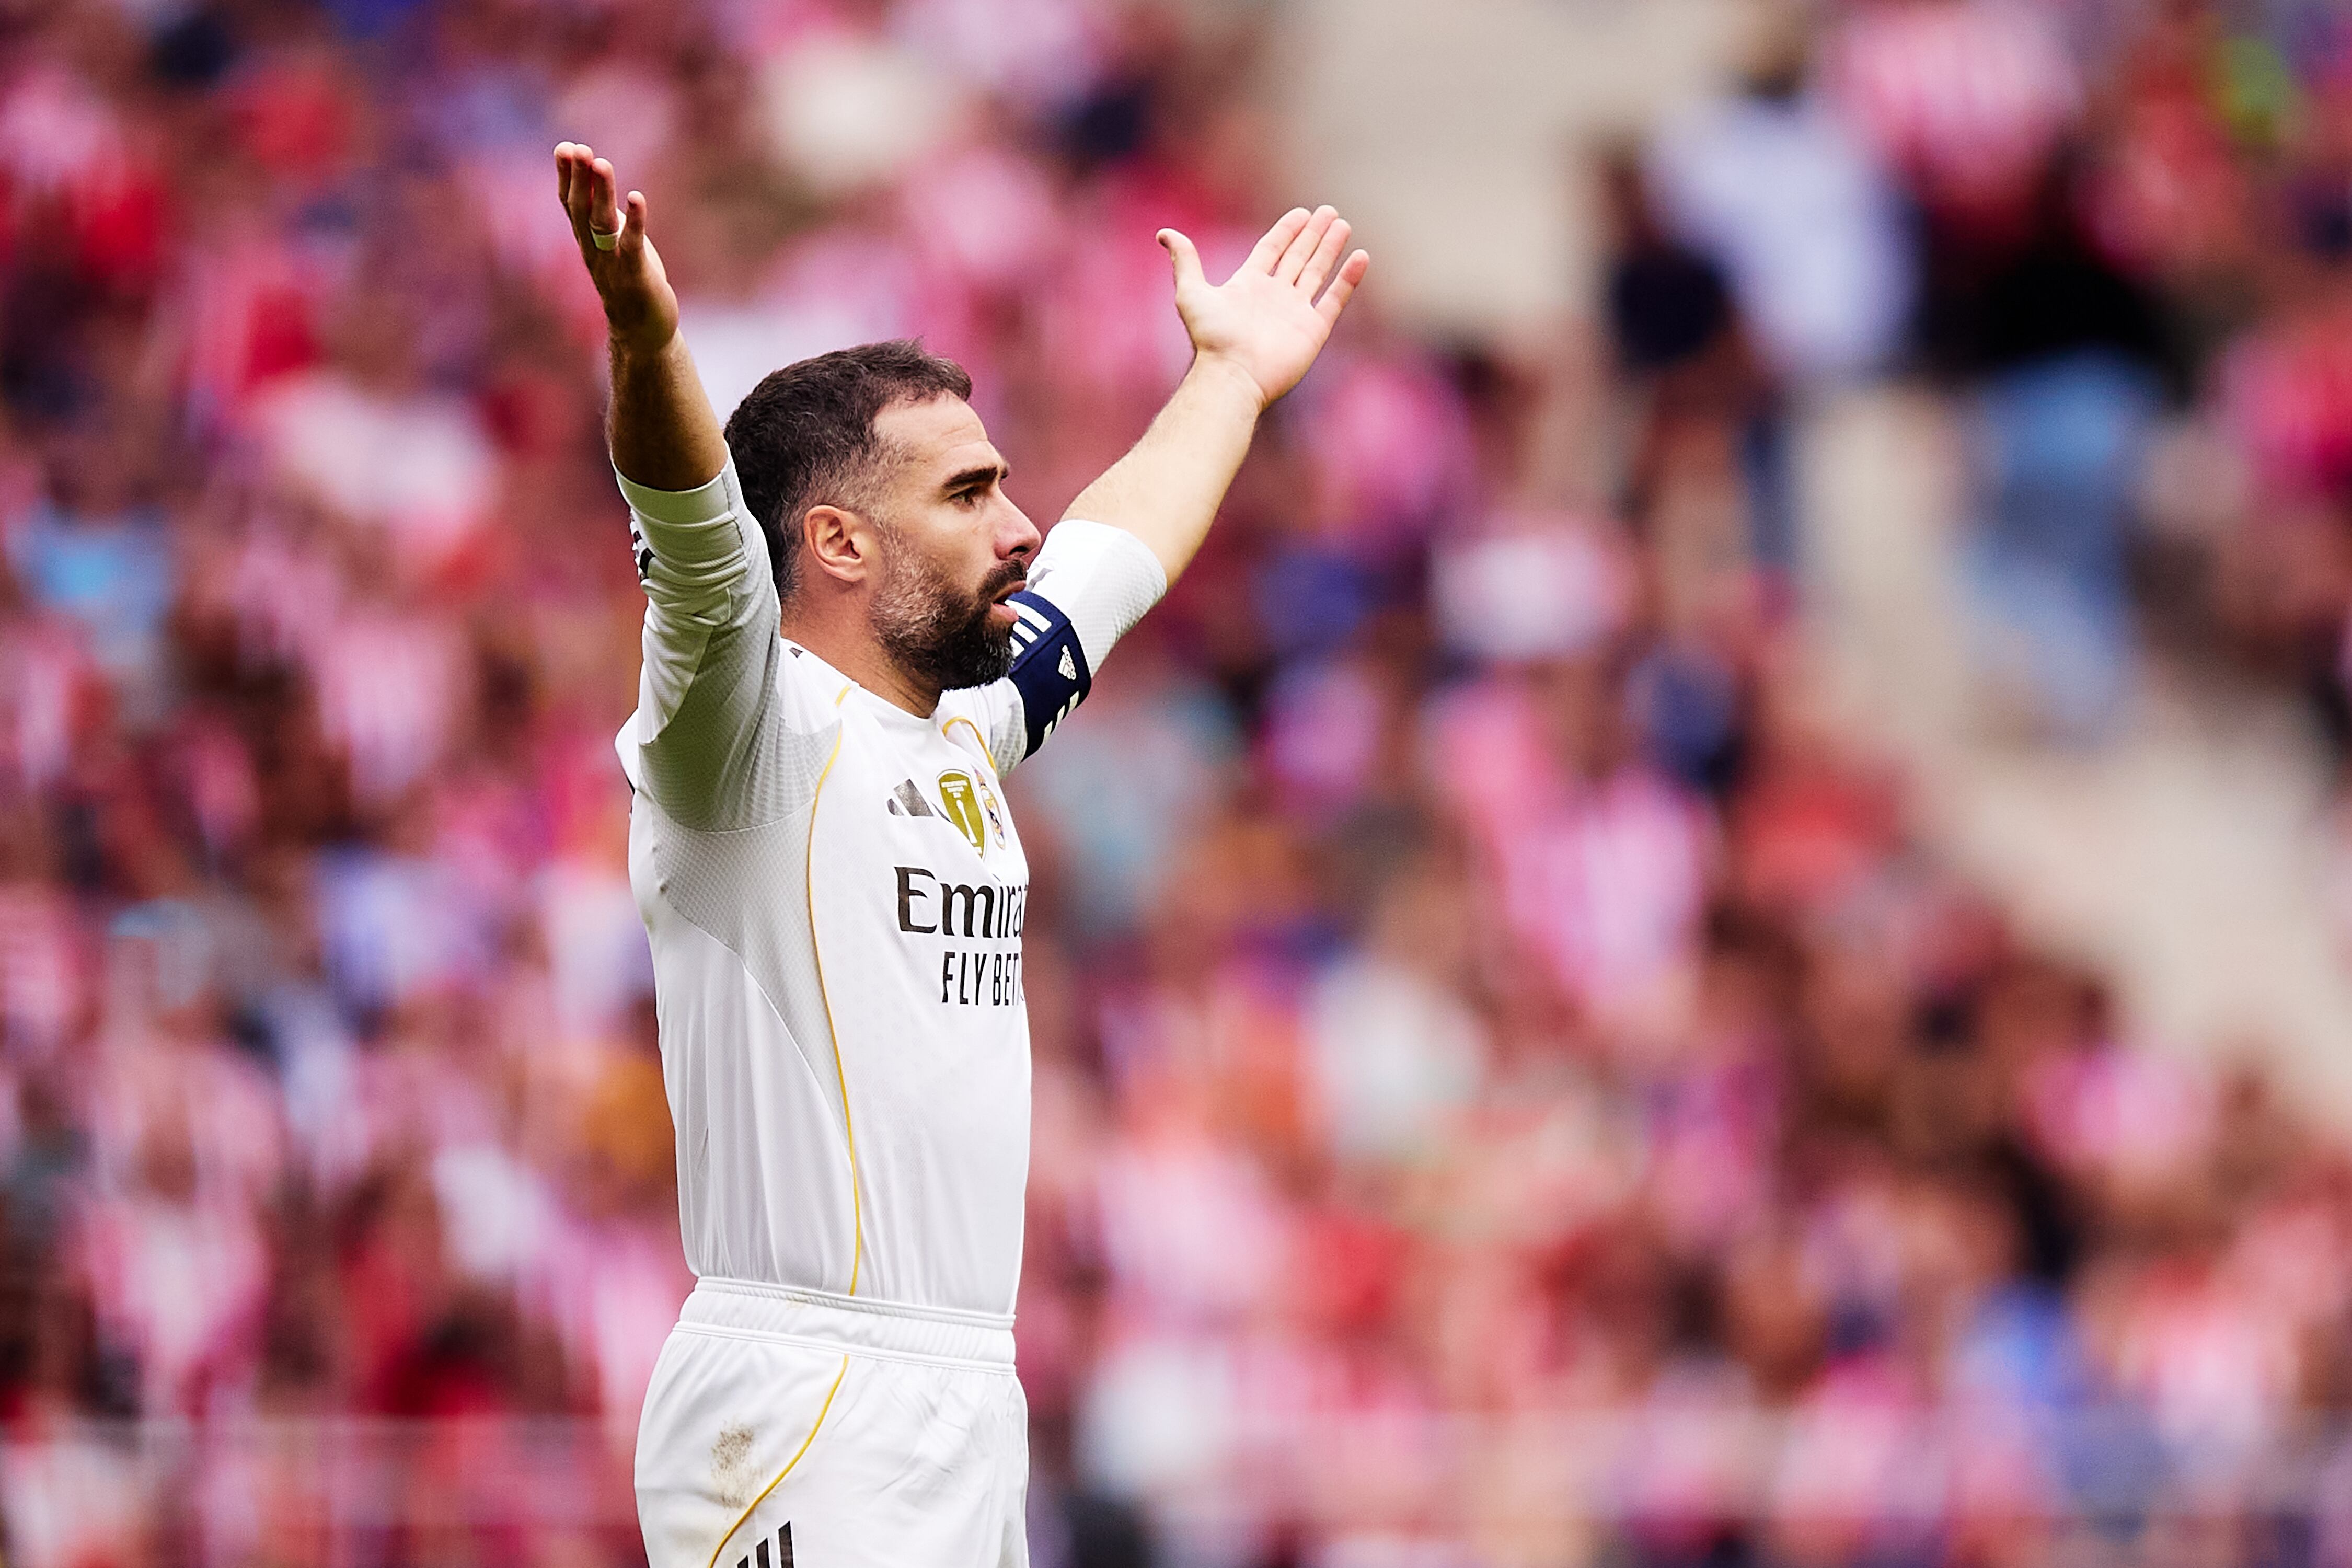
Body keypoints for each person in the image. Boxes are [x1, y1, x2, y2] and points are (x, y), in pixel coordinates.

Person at [551, 142, 1367, 1567]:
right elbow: (690, 535)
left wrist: (1229, 377)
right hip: (805, 1393)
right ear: (838, 543)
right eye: (970, 494)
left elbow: (1111, 561)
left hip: (964, 1393)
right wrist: (647, 336)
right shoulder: (742, 740)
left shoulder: (962, 741)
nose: (1019, 525)